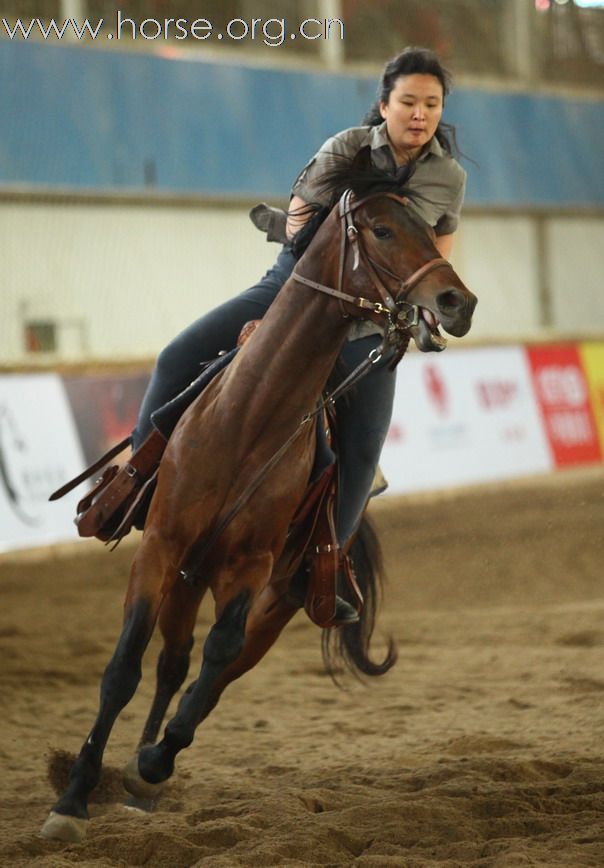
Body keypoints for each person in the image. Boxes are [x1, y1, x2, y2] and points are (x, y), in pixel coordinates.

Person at [80, 47, 467, 621]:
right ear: (384, 104)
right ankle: (134, 487)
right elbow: (294, 225)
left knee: (364, 446)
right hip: (293, 293)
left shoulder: (448, 177)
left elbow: (437, 249)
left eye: (430, 104)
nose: (419, 113)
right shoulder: (346, 148)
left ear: (440, 111)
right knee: (174, 357)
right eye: (408, 101)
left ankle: (326, 565)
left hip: (367, 322)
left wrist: (426, 307)